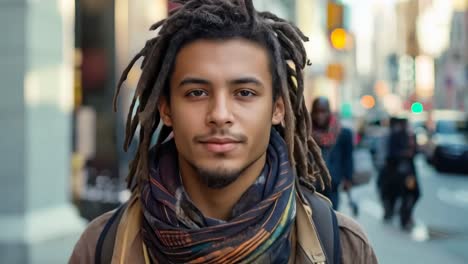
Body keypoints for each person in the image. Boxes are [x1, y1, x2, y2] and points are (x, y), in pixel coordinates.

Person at [70, 1, 377, 263]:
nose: (219, 115)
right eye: (196, 93)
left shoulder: (342, 247)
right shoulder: (102, 247)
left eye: (244, 93)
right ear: (166, 109)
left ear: (278, 108)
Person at [311, 97, 354, 210]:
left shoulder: (343, 133)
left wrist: (348, 179)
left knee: (332, 218)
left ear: (329, 112)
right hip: (310, 186)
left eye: (323, 111)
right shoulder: (305, 133)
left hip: (332, 184)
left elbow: (348, 158)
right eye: (316, 111)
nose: (320, 115)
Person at [379, 117, 420, 230]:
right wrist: (406, 153)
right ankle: (404, 217)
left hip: (409, 174)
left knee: (412, 193)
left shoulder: (410, 136)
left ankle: (405, 216)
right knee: (402, 194)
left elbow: (415, 152)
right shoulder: (396, 135)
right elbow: (391, 154)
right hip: (400, 173)